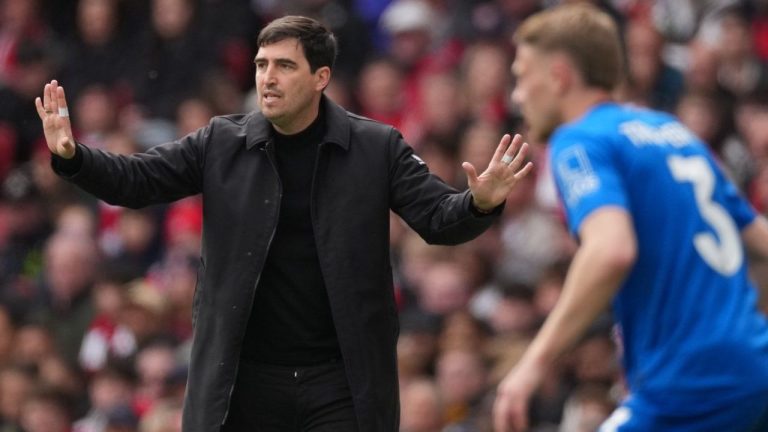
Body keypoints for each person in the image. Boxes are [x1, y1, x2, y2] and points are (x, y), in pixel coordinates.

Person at [36, 15, 533, 432]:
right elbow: (137, 181)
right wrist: (74, 156)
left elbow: (438, 220)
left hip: (340, 380)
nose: (267, 78)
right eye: (261, 65)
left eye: (284, 66)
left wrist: (479, 203)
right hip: (242, 377)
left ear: (320, 77)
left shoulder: (376, 147)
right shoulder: (220, 142)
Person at [492, 3, 768, 432]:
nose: (517, 94)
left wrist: (533, 361)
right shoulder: (672, 131)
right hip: (754, 366)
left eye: (523, 75)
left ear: (558, 76)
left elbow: (611, 250)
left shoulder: (579, 140)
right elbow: (758, 236)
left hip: (690, 384)